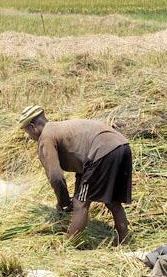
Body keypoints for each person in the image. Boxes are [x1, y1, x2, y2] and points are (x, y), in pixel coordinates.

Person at [18, 105, 133, 245]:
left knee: (80, 203)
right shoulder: (59, 128)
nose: (29, 137)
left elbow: (56, 177)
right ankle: (124, 241)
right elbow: (82, 168)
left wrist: (64, 202)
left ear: (32, 127)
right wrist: (67, 199)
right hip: (122, 146)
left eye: (27, 132)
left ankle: (69, 244)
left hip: (102, 151)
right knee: (112, 200)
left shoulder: (46, 137)